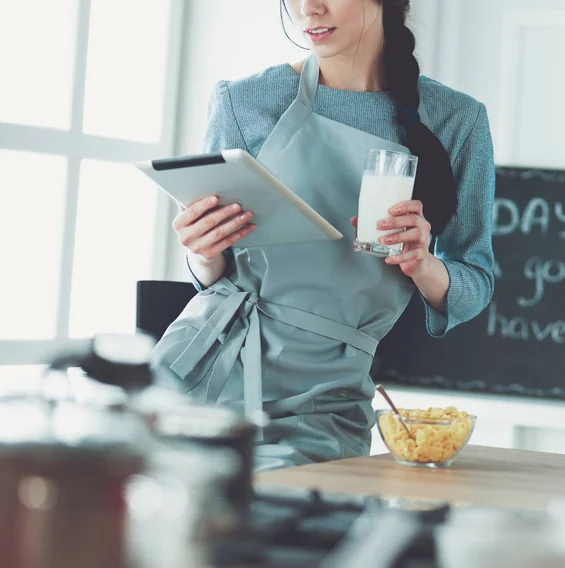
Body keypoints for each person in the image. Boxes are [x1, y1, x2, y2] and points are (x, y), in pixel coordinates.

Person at [151, 0, 495, 471]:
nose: (308, 8)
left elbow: (476, 281)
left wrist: (423, 264)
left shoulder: (457, 120)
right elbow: (215, 276)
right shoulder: (245, 101)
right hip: (203, 370)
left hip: (325, 400)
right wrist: (202, 250)